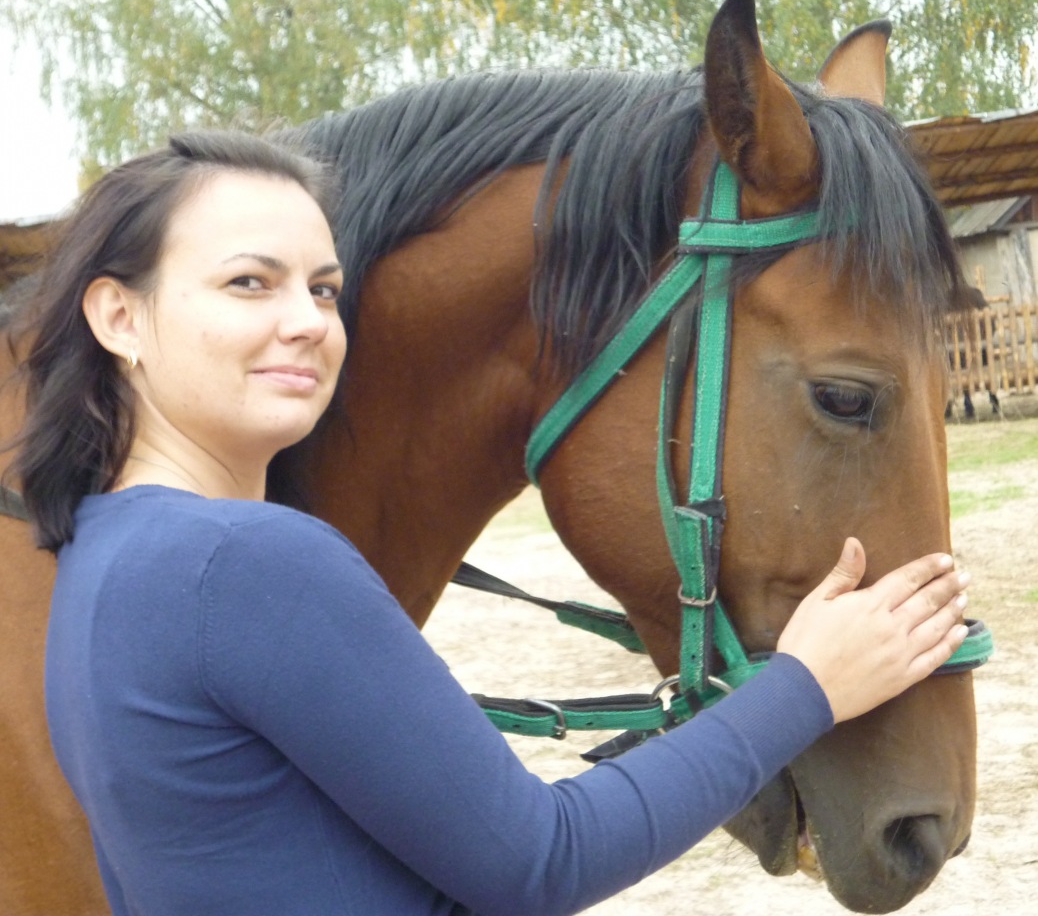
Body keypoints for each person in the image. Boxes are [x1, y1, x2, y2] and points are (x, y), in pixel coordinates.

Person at [10, 130, 970, 916]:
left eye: (324, 288)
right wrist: (807, 687)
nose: (306, 320)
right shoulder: (249, 563)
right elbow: (540, 862)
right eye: (249, 284)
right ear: (119, 317)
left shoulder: (102, 546)